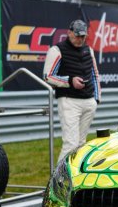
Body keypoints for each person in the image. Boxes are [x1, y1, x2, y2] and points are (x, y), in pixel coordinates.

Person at [42, 20, 101, 164]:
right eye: (77, 36)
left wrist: (96, 98)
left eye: (83, 36)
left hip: (89, 101)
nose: (80, 39)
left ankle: (75, 179)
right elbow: (47, 76)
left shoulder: (89, 50)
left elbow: (95, 74)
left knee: (82, 144)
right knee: (71, 144)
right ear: (69, 33)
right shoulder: (56, 50)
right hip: (69, 101)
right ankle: (59, 181)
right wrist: (70, 81)